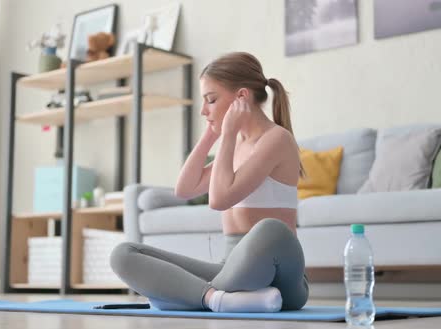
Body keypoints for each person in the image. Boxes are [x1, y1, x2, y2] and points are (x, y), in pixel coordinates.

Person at [110, 52, 309, 312]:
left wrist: (227, 134)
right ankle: (217, 298)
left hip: (281, 276)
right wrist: (209, 137)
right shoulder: (237, 145)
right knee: (123, 254)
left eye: (211, 100)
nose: (204, 110)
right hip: (229, 270)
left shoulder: (276, 140)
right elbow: (184, 190)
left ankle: (185, 296)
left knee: (270, 229)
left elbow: (218, 200)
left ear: (241, 97)